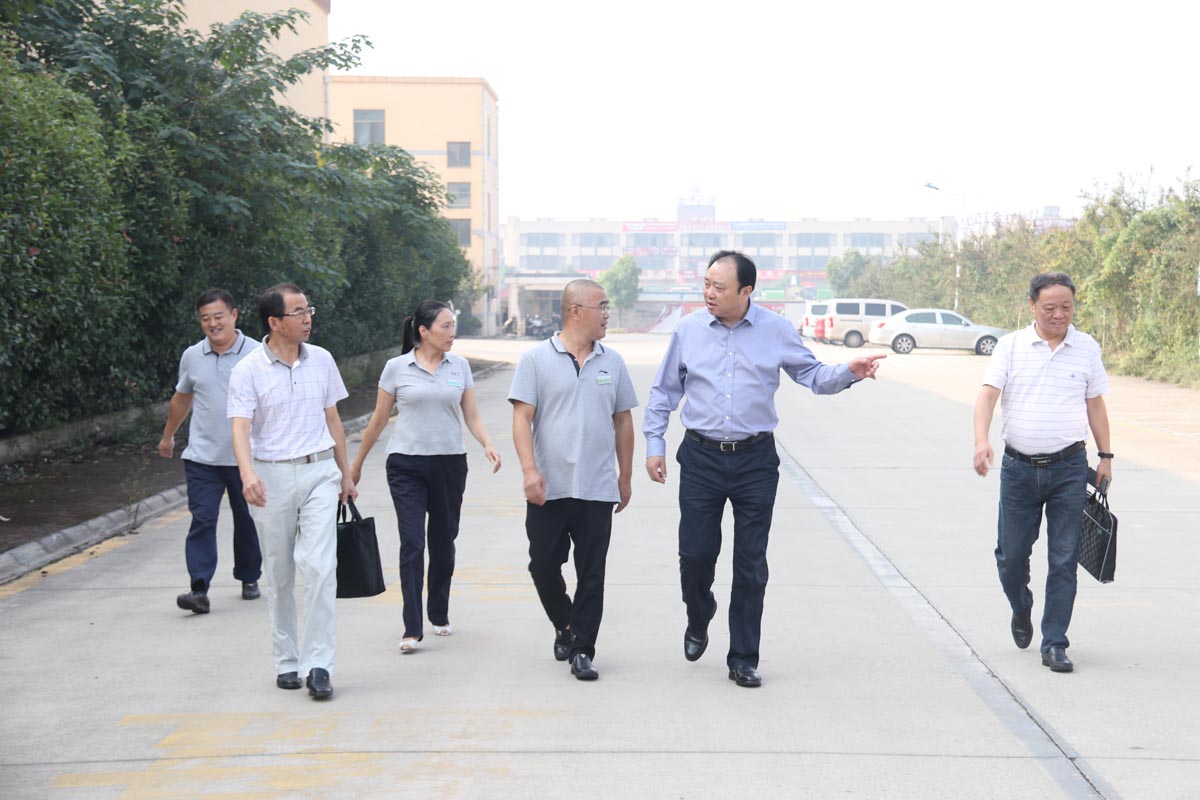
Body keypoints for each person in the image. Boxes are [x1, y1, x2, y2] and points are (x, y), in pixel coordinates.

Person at [643, 251, 885, 688]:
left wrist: (849, 371)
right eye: (707, 284)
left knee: (751, 563)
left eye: (719, 287)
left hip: (755, 460)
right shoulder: (689, 330)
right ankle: (699, 613)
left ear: (746, 291)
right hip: (700, 457)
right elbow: (664, 391)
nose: (709, 293)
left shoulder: (776, 330)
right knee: (696, 555)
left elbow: (813, 376)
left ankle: (743, 657)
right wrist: (654, 445)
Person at [973, 272, 1112, 674]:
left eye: (1066, 307)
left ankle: (1055, 643)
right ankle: (1021, 606)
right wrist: (981, 441)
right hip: (1018, 469)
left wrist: (1105, 456)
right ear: (1032, 306)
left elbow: (1095, 403)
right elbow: (987, 396)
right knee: (1011, 556)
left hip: (1070, 468)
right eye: (1050, 307)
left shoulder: (1086, 347)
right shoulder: (1010, 346)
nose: (1059, 314)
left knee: (1064, 558)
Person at [228, 283, 357, 700]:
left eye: (308, 310)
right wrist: (247, 474)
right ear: (274, 322)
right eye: (298, 312)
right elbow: (240, 428)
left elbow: (333, 419)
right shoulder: (248, 370)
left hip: (319, 471)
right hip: (272, 476)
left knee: (320, 567)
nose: (307, 318)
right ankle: (287, 660)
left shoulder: (322, 359)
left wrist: (346, 474)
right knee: (280, 573)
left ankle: (319, 664)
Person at [350, 300, 501, 654]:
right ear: (423, 331)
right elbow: (378, 419)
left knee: (443, 543)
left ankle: (439, 611)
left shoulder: (459, 366)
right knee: (413, 543)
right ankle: (412, 626)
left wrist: (488, 443)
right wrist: (356, 465)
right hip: (406, 465)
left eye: (453, 326)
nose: (452, 333)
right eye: (445, 326)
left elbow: (472, 415)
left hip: (449, 464)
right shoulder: (396, 368)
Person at [508, 279, 637, 681]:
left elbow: (623, 421)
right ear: (576, 311)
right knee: (543, 566)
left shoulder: (613, 362)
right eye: (602, 306)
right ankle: (565, 624)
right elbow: (521, 418)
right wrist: (529, 470)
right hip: (549, 487)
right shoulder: (536, 360)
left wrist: (626, 475)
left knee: (592, 573)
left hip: (597, 487)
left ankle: (583, 648)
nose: (607, 314)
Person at [159, 289, 262, 614]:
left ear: (234, 315)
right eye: (206, 319)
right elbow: (182, 398)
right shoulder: (192, 356)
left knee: (247, 521)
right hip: (202, 457)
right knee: (202, 520)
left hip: (245, 459)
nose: (213, 324)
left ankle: (249, 576)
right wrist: (168, 436)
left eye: (218, 316)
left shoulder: (257, 354)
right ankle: (198, 589)